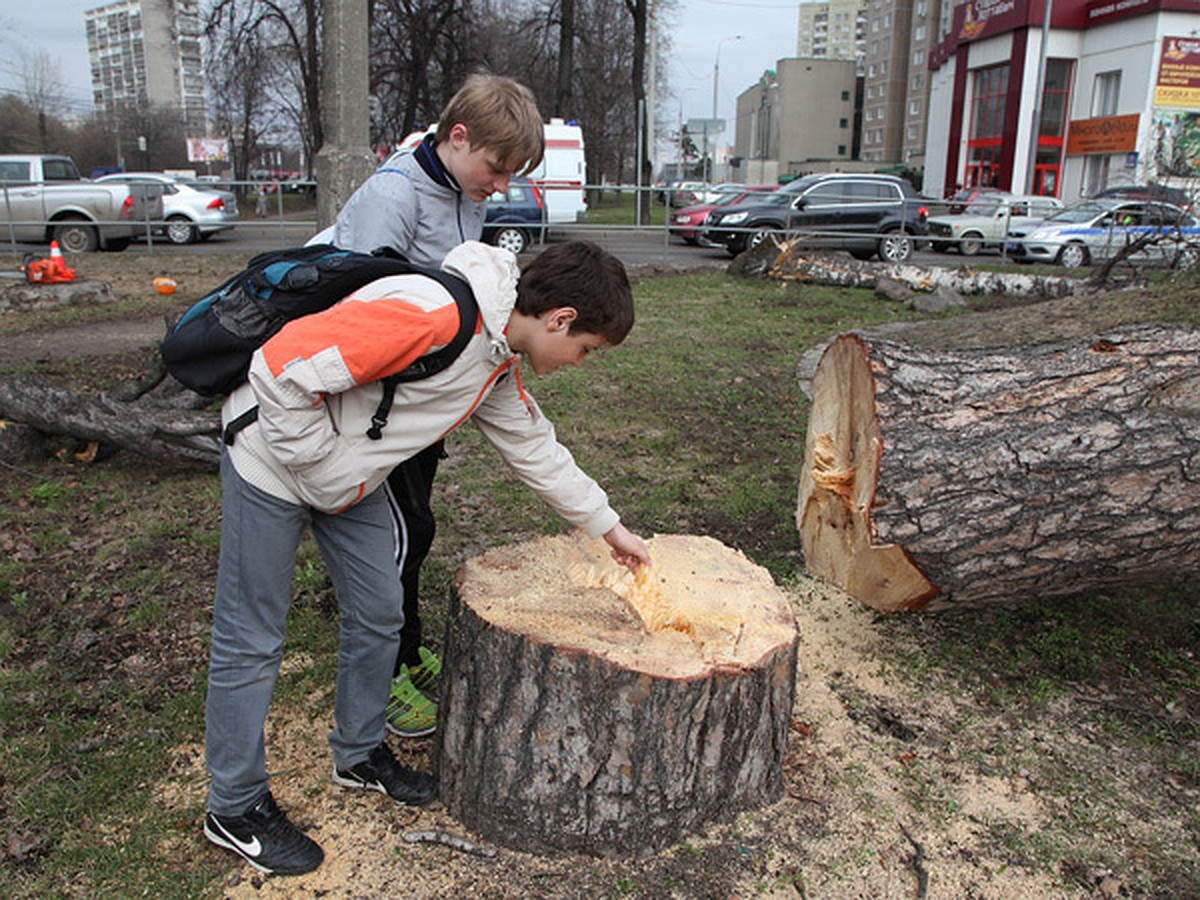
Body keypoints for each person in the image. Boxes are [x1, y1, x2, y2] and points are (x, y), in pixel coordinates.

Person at [202, 239, 651, 876]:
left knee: (381, 611)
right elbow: (281, 367)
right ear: (560, 319)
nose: (581, 362)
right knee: (253, 636)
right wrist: (319, 470)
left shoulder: (496, 358)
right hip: (273, 461)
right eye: (587, 350)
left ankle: (358, 754)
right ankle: (235, 807)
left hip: (343, 478)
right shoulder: (434, 316)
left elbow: (533, 448)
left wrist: (609, 528)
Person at [326, 74, 545, 739]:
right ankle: (383, 672)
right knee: (391, 538)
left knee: (415, 527)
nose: (501, 186)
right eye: (497, 168)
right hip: (379, 410)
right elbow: (353, 309)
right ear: (458, 137)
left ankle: (407, 641)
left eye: (512, 174)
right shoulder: (393, 195)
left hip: (422, 403)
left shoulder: (460, 188)